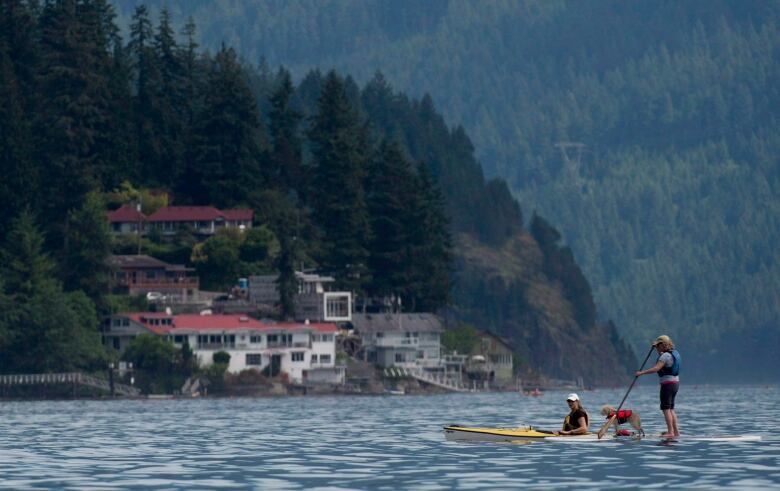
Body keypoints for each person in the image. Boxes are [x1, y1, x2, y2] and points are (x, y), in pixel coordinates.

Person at [635, 334, 680, 437]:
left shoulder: (665, 356)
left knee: (666, 408)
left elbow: (656, 368)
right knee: (671, 408)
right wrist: (656, 348)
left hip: (667, 385)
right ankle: (676, 432)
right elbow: (663, 355)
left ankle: (670, 432)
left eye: (658, 345)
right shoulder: (673, 353)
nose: (657, 348)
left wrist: (641, 373)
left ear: (663, 345)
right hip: (675, 383)